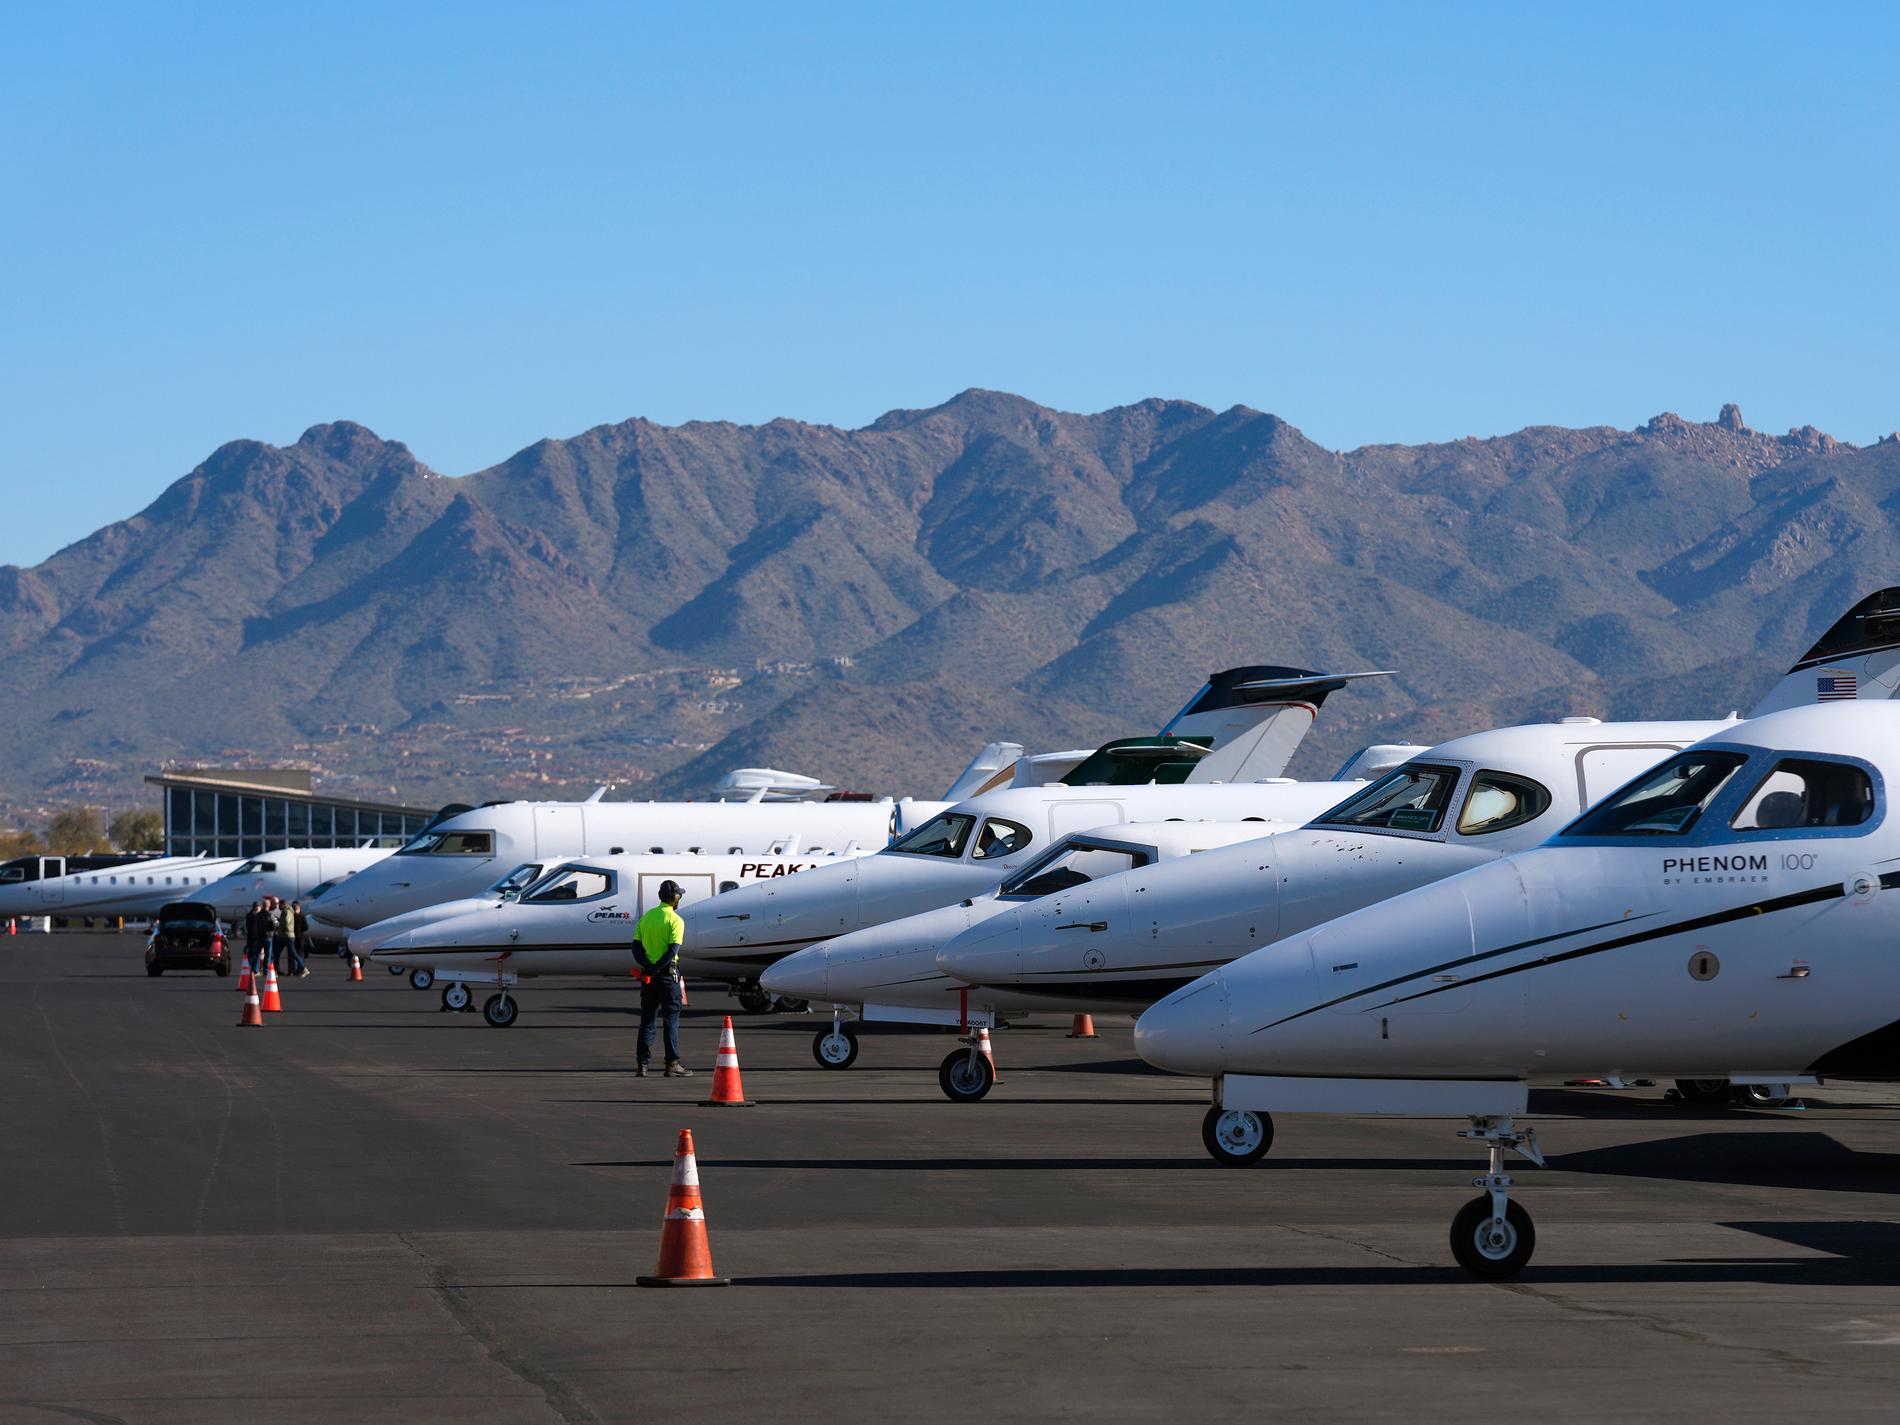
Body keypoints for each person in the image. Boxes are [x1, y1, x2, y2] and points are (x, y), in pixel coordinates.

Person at [634, 880, 691, 1077]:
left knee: (647, 1019)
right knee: (671, 1020)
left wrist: (649, 968)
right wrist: (658, 968)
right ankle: (672, 1064)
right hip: (667, 976)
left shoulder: (646, 917)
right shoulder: (676, 920)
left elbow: (636, 948)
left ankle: (642, 1065)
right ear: (676, 897)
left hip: (648, 977)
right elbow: (672, 951)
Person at [284, 898, 309, 977]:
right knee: (299, 954)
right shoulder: (302, 915)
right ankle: (299, 970)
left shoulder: (291, 916)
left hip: (292, 936)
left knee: (291, 954)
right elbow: (306, 927)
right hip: (300, 937)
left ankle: (291, 970)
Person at [243, 899, 264, 975]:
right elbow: (255, 928)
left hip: (250, 937)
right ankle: (255, 970)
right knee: (256, 953)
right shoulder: (256, 916)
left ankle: (251, 968)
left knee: (251, 953)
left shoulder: (249, 915)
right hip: (256, 937)